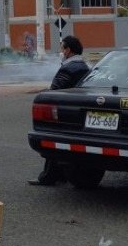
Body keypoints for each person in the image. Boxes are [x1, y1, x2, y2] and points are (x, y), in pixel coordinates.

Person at [28, 35, 91, 186]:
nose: (61, 52)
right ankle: (60, 175)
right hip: (78, 110)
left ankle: (47, 177)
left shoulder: (68, 68)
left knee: (54, 143)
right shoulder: (84, 66)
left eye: (62, 48)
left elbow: (55, 91)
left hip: (63, 110)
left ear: (68, 50)